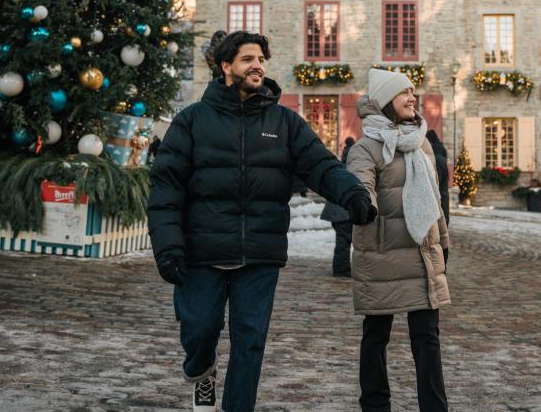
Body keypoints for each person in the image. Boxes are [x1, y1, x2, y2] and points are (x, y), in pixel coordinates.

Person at [147, 31, 377, 412]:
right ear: (226, 67)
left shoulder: (284, 122)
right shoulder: (191, 121)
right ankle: (202, 372)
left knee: (250, 341)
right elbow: (166, 187)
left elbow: (320, 164)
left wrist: (352, 193)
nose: (258, 66)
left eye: (261, 60)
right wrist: (168, 246)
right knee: (200, 330)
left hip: (260, 252)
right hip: (202, 250)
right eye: (248, 59)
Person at [347, 69, 450, 412]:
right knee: (376, 337)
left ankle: (434, 407)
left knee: (427, 339)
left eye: (412, 91)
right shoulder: (365, 148)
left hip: (422, 252)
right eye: (403, 92)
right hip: (382, 255)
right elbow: (361, 184)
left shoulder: (420, 141)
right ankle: (375, 406)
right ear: (384, 101)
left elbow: (435, 200)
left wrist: (444, 242)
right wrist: (363, 203)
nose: (412, 98)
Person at [320, 136, 357, 277]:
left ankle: (341, 267)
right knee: (344, 240)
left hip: (337, 211)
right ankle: (341, 269)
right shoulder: (352, 170)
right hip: (342, 211)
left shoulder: (339, 167)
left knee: (342, 239)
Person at [425, 129, 450, 224]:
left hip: (439, 170)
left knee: (439, 195)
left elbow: (435, 184)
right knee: (444, 197)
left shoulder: (435, 154)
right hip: (444, 191)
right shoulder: (441, 148)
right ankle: (445, 222)